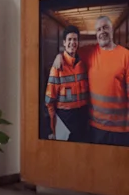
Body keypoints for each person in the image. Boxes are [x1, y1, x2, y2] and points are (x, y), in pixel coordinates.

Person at [58, 15, 129, 146]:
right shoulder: (89, 52)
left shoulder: (126, 56)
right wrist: (59, 56)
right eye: (99, 29)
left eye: (105, 27)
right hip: (96, 128)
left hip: (121, 131)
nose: (102, 32)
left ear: (112, 29)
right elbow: (70, 50)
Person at [45, 25, 90, 142]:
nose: (72, 42)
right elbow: (49, 101)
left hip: (83, 118)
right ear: (64, 43)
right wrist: (53, 128)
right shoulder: (57, 67)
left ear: (78, 43)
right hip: (65, 120)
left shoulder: (83, 64)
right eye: (69, 39)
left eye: (75, 39)